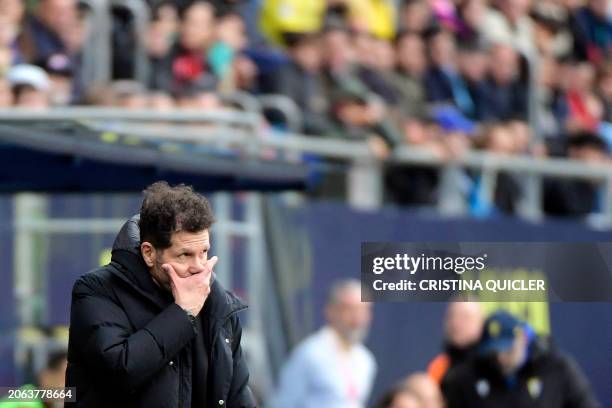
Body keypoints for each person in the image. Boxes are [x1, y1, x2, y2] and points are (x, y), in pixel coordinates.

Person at [65, 181, 255, 407]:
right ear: (149, 253)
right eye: (184, 255)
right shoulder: (98, 289)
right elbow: (119, 370)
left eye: (203, 252)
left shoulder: (217, 302)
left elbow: (238, 397)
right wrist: (183, 312)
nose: (198, 266)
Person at [442, 310, 600, 408]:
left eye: (508, 350)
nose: (501, 359)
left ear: (523, 339)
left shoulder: (557, 368)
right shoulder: (469, 375)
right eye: (494, 353)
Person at [271, 279, 376, 408]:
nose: (357, 318)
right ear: (330, 311)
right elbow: (283, 403)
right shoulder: (310, 354)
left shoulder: (365, 360)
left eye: (363, 310)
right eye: (349, 309)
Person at [428, 302, 484, 385]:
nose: (456, 324)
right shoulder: (439, 368)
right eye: (451, 317)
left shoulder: (493, 366)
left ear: (481, 324)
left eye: (465, 317)